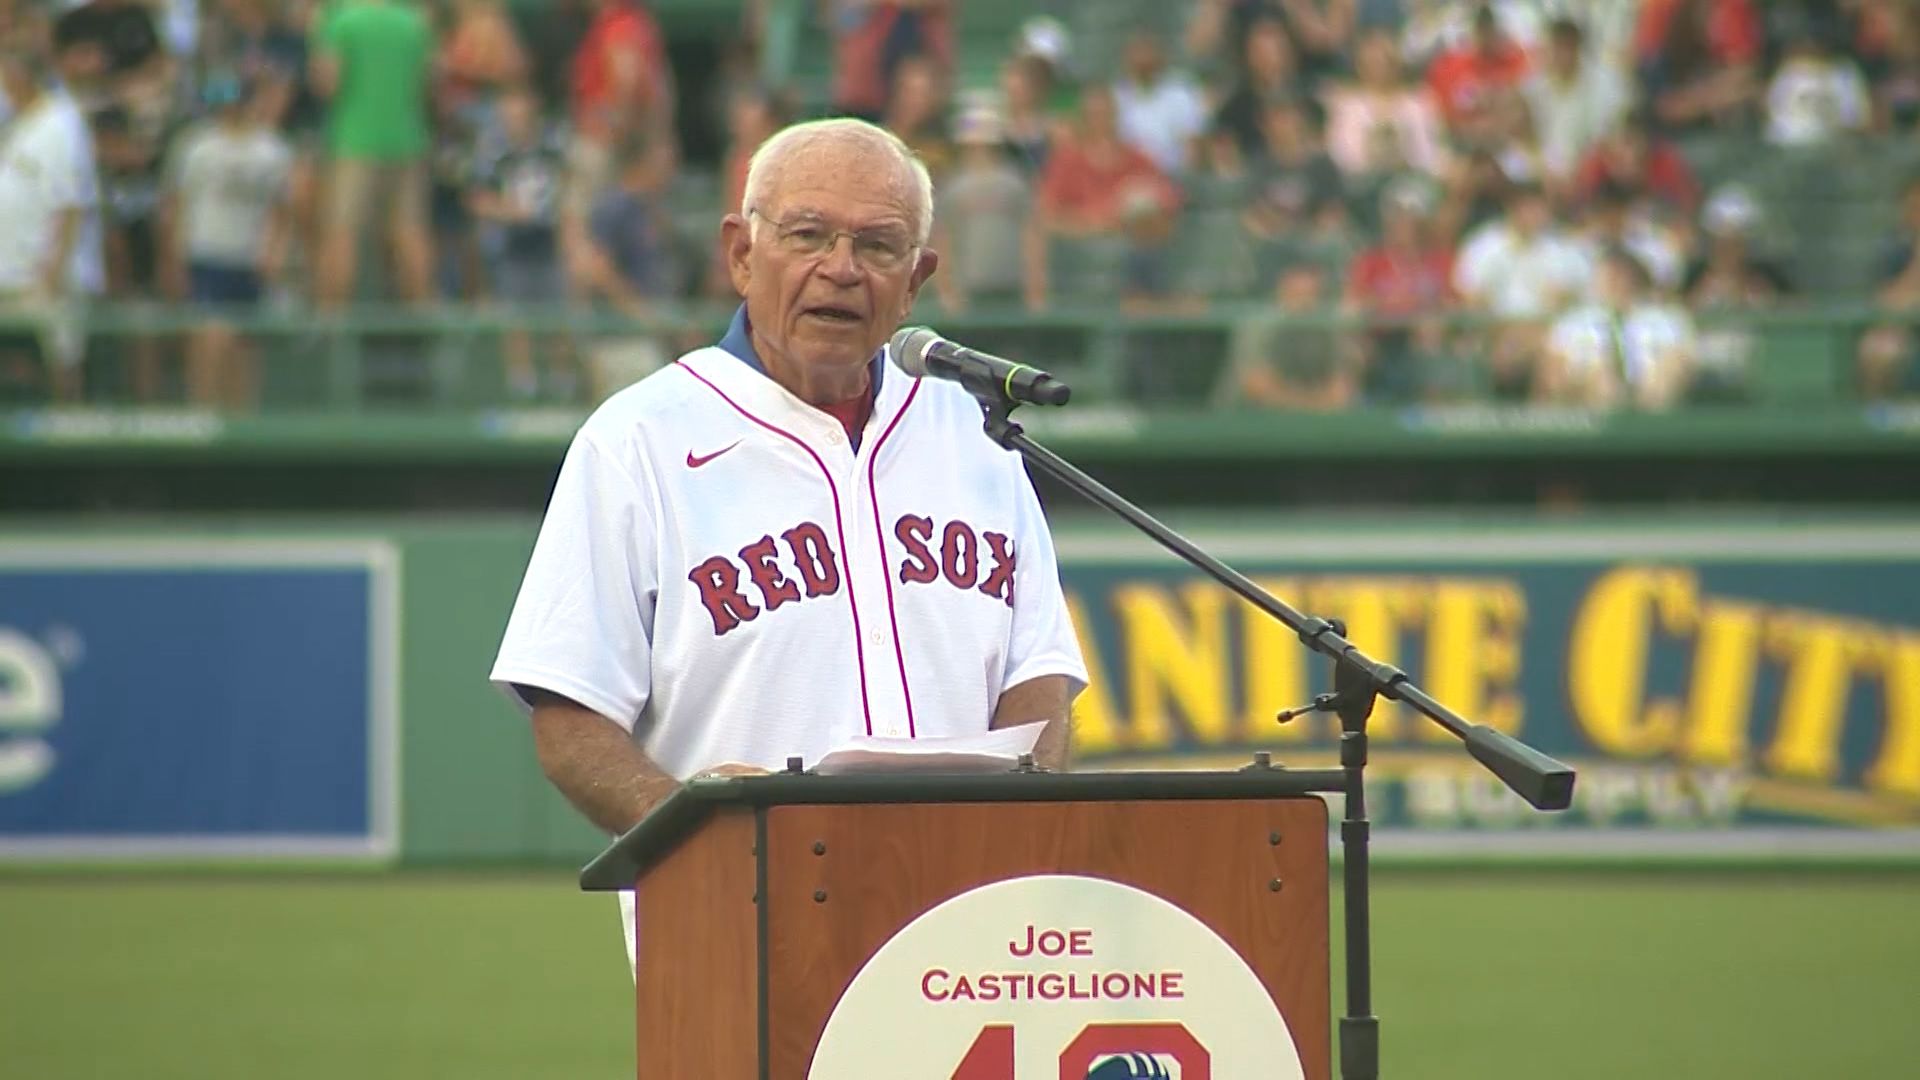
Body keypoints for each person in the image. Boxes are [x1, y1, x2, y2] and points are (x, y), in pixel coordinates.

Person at [490, 117, 1088, 974]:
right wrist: (707, 836)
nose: (840, 268)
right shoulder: (639, 439)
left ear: (916, 280)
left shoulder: (977, 436)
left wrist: (1008, 843)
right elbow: (571, 716)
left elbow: (1039, 678)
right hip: (737, 941)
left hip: (963, 945)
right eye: (808, 234)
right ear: (740, 252)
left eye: (879, 246)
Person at [160, 72, 293, 409]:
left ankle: (242, 417)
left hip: (248, 258)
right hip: (206, 253)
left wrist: (274, 254)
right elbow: (175, 204)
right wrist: (174, 257)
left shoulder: (272, 151)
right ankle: (203, 411)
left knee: (244, 347)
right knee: (210, 337)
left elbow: (282, 209)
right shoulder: (196, 147)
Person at [309, 0, 434, 307]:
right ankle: (426, 321)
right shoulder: (414, 22)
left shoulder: (338, 20)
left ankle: (334, 329)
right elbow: (426, 83)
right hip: (408, 140)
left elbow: (327, 84)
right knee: (411, 232)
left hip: (354, 142)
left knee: (341, 234)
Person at [0, 44, 101, 403]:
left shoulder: (60, 123)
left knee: (61, 361)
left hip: (47, 273)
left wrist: (53, 272)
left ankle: (69, 438)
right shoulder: (19, 123)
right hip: (12, 271)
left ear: (19, 76)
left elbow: (71, 204)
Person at [1541, 247, 1695, 409]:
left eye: (1621, 274)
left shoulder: (1667, 317)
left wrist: (1660, 373)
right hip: (1588, 391)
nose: (1615, 280)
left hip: (1652, 388)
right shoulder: (1574, 320)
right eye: (1609, 274)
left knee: (1666, 370)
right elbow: (1553, 370)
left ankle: (1648, 418)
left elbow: (1684, 360)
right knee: (1601, 377)